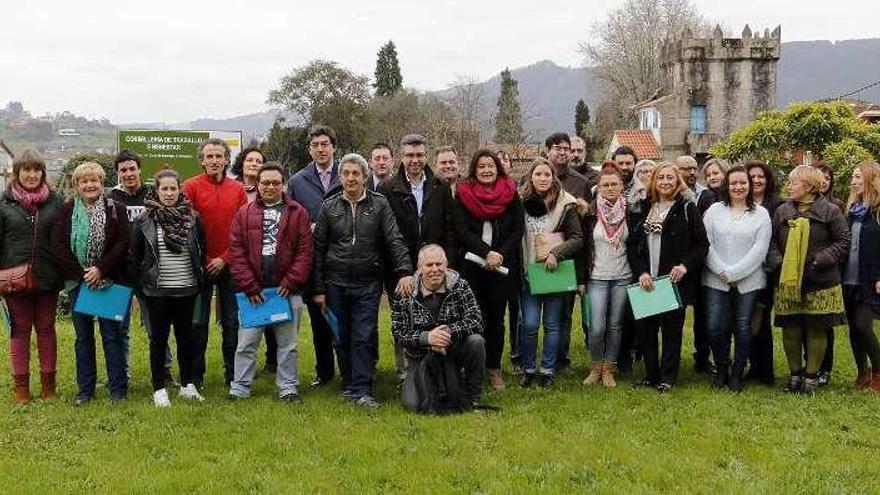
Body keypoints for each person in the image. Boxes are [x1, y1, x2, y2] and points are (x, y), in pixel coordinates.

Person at [312, 153, 414, 408]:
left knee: (363, 336)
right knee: (341, 337)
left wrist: (404, 271)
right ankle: (349, 383)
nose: (350, 178)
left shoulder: (379, 205)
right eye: (346, 174)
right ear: (340, 177)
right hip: (335, 283)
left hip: (368, 283)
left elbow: (394, 239)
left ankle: (362, 388)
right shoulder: (329, 206)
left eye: (356, 174)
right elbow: (318, 249)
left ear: (365, 177)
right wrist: (318, 288)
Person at [227, 163, 313, 403]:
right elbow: (236, 251)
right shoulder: (243, 214)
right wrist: (250, 286)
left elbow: (305, 252)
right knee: (246, 344)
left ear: (283, 184)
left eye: (276, 182)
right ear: (258, 184)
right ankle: (240, 387)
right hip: (254, 294)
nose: (271, 187)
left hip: (286, 292)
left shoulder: (298, 213)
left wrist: (292, 280)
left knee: (288, 345)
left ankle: (288, 387)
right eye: (265, 183)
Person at [51, 162, 130, 405]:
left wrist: (100, 269)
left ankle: (118, 390)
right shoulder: (65, 212)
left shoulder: (116, 209)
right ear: (76, 185)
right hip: (78, 284)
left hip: (107, 281)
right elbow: (58, 247)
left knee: (112, 336)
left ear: (102, 182)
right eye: (84, 181)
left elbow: (121, 244)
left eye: (94, 180)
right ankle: (85, 390)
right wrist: (82, 274)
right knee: (83, 338)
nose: (89, 185)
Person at [378, 134, 455, 382]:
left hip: (433, 267)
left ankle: (436, 368)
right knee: (403, 319)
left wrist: (446, 262)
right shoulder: (388, 188)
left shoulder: (440, 186)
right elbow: (385, 234)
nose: (415, 160)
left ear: (426, 155)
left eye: (420, 155)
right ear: (402, 157)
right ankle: (405, 372)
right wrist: (402, 271)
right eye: (410, 155)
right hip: (400, 268)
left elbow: (449, 229)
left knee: (436, 315)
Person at [766, 165, 850, 394]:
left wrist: (822, 258)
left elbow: (843, 241)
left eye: (794, 182)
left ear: (810, 187)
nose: (789, 186)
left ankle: (811, 376)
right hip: (788, 280)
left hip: (820, 280)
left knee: (817, 328)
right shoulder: (783, 211)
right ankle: (795, 375)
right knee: (790, 328)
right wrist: (779, 262)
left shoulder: (831, 211)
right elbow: (771, 241)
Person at [627, 162, 708, 392]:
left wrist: (684, 266)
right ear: (654, 181)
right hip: (646, 281)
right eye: (660, 177)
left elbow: (702, 245)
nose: (665, 182)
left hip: (672, 282)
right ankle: (652, 375)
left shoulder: (686, 208)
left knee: (672, 331)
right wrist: (641, 271)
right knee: (646, 332)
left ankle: (667, 377)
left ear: (677, 181)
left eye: (670, 178)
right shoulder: (644, 207)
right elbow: (633, 245)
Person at [129, 168, 207, 407]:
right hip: (157, 291)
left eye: (174, 188)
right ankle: (159, 389)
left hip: (187, 288)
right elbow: (135, 257)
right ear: (157, 191)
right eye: (165, 188)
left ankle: (187, 385)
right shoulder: (144, 220)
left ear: (180, 190)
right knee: (158, 340)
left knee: (186, 338)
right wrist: (142, 286)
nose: (169, 193)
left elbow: (201, 249)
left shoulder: (193, 218)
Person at [454, 149, 524, 390]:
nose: (486, 170)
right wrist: (486, 253)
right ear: (474, 169)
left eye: (490, 166)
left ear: (498, 168)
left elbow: (517, 230)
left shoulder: (511, 193)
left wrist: (499, 254)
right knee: (474, 318)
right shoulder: (463, 193)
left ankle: (493, 369)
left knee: (496, 319)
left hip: (502, 269)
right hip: (472, 266)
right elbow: (461, 230)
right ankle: (473, 367)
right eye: (481, 166)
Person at [183, 138, 248, 388]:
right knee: (198, 322)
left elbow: (243, 229)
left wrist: (224, 258)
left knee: (232, 322)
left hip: (230, 266)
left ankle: (232, 375)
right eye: (209, 156)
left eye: (218, 156)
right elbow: (186, 229)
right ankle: (196, 377)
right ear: (202, 160)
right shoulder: (190, 187)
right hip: (199, 267)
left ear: (226, 160)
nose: (214, 161)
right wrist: (207, 259)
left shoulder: (238, 189)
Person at [392, 244, 487, 413]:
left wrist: (448, 332)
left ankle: (473, 396)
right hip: (420, 357)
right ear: (419, 268)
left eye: (439, 264)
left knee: (476, 341)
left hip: (453, 351)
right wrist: (426, 338)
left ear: (446, 264)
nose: (435, 269)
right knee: (412, 405)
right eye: (429, 265)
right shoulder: (405, 292)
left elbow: (476, 319)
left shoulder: (460, 285)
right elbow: (398, 332)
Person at [702, 165, 772, 392]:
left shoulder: (761, 214)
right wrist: (721, 270)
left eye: (743, 182)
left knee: (743, 326)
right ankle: (722, 368)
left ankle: (737, 372)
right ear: (726, 185)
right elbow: (706, 243)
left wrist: (735, 273)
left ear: (749, 186)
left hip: (749, 281)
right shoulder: (713, 211)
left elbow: (759, 250)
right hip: (715, 278)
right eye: (734, 183)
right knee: (714, 326)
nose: (739, 187)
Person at [1, 149, 62, 404]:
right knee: (20, 332)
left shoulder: (55, 202)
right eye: (26, 169)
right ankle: (21, 389)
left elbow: (61, 240)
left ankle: (49, 388)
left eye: (36, 170)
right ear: (17, 173)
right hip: (14, 280)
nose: (31, 174)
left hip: (47, 278)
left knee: (46, 330)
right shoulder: (4, 204)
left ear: (43, 173)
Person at [518, 158, 583, 388]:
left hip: (555, 274)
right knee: (529, 324)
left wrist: (557, 253)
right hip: (529, 273)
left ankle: (547, 369)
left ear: (553, 177)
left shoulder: (566, 204)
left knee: (553, 324)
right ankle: (528, 368)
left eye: (547, 174)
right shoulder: (521, 202)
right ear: (531, 177)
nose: (543, 179)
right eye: (538, 174)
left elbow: (577, 238)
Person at [287, 125, 341, 388]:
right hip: (313, 259)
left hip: (344, 256)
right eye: (315, 145)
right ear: (309, 149)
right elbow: (291, 218)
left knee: (346, 318)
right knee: (319, 319)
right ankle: (325, 372)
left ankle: (353, 369)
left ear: (333, 147)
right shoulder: (297, 181)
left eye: (325, 144)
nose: (320, 149)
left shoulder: (349, 173)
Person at [109, 149, 169, 384]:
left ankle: (164, 369)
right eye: (123, 170)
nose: (128, 173)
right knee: (118, 328)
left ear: (139, 169)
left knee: (156, 327)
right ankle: (121, 373)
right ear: (118, 173)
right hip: (120, 274)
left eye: (132, 168)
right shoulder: (110, 199)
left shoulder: (153, 195)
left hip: (149, 273)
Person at [581, 165, 637, 388]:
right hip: (597, 277)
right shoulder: (590, 213)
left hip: (623, 276)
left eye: (615, 184)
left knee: (615, 325)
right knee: (596, 327)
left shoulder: (632, 211)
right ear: (599, 187)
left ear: (621, 186)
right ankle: (595, 365)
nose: (610, 188)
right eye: (606, 184)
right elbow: (582, 246)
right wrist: (581, 278)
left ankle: (609, 369)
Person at [544, 132, 589, 374]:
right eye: (558, 148)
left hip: (568, 257)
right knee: (529, 317)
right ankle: (525, 358)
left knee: (563, 313)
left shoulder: (581, 183)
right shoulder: (534, 178)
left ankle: (561, 359)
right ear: (547, 150)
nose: (563, 152)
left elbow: (584, 231)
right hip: (537, 257)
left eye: (567, 148)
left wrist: (581, 275)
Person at [745, 160, 784, 384]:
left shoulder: (777, 205)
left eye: (761, 176)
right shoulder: (741, 202)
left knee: (760, 317)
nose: (757, 180)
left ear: (767, 180)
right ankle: (753, 365)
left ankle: (765, 370)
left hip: (768, 270)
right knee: (747, 319)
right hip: (745, 270)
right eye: (752, 177)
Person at [842, 161, 880, 390]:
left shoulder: (877, 211)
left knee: (864, 325)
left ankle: (877, 373)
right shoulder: (851, 211)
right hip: (849, 278)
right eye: (853, 177)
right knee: (854, 329)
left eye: (858, 177)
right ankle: (862, 373)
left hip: (869, 278)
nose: (853, 181)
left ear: (871, 179)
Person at [611, 145, 645, 374]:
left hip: (636, 255)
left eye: (628, 163)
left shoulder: (643, 193)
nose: (624, 167)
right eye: (620, 163)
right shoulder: (603, 189)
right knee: (612, 313)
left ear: (634, 164)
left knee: (631, 311)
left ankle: (628, 356)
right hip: (609, 258)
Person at [814, 160, 844, 386]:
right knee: (806, 323)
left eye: (827, 177)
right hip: (805, 275)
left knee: (825, 323)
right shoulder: (794, 206)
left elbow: (843, 240)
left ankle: (825, 367)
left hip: (827, 271)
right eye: (819, 176)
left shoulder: (835, 207)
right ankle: (811, 364)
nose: (823, 181)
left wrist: (823, 259)